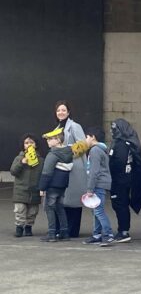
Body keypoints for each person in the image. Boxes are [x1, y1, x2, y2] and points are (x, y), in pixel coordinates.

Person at [108, 119, 141, 244]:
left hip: (120, 180)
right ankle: (123, 229)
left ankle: (123, 231)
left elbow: (118, 162)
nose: (112, 131)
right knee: (120, 204)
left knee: (120, 204)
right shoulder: (127, 143)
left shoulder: (122, 144)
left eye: (114, 129)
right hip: (124, 179)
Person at [54, 101, 88, 237]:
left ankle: (72, 230)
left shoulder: (75, 126)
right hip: (62, 166)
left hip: (74, 166)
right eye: (58, 110)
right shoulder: (57, 128)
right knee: (62, 199)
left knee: (73, 199)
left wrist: (67, 152)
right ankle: (62, 228)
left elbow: (83, 145)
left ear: (68, 112)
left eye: (63, 110)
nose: (60, 112)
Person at [38, 127, 74, 242]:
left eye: (50, 139)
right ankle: (64, 232)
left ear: (58, 140)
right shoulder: (68, 152)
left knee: (49, 208)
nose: (47, 141)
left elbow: (46, 173)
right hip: (63, 185)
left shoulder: (53, 154)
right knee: (60, 208)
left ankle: (52, 233)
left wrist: (42, 187)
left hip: (52, 185)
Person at [81, 127, 114, 247]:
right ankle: (97, 235)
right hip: (101, 183)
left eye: (86, 137)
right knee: (96, 210)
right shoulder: (101, 149)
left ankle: (108, 235)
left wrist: (90, 189)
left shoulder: (95, 150)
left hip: (98, 184)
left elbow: (94, 171)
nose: (85, 140)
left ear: (93, 137)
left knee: (98, 211)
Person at [10, 134, 43, 237]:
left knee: (33, 211)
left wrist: (42, 188)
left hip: (34, 190)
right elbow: (13, 171)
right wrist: (22, 162)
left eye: (31, 142)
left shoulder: (41, 160)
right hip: (20, 190)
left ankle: (29, 227)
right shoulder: (19, 158)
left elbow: (43, 174)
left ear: (36, 145)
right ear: (23, 145)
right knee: (20, 210)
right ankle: (19, 227)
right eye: (26, 143)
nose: (29, 144)